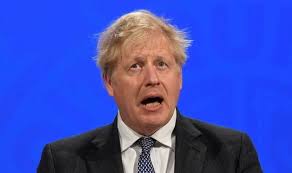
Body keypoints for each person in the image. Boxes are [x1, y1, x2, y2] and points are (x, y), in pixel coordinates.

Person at [37, 10, 262, 173]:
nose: (152, 79)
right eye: (135, 66)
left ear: (179, 77)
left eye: (162, 64)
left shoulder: (232, 154)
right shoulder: (62, 162)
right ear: (109, 82)